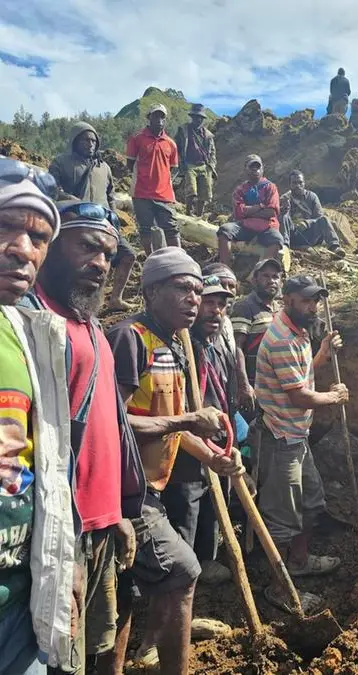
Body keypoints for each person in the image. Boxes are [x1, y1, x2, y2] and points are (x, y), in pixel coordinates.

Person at [107, 247, 244, 675]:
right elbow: (113, 424)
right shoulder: (130, 338)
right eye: (183, 288)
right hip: (126, 489)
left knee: (127, 591)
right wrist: (186, 418)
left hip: (152, 488)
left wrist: (214, 459)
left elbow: (177, 430)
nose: (193, 299)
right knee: (183, 571)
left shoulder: (177, 345)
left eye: (197, 290)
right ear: (150, 291)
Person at [28, 201, 144, 675]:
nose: (100, 263)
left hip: (99, 525)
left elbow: (103, 429)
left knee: (95, 649)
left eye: (109, 255)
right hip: (57, 537)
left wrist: (115, 511)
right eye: (87, 247)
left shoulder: (92, 325)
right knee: (60, 660)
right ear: (51, 246)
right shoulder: (33, 322)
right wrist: (61, 547)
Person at [0, 161, 76, 675]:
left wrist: (59, 559)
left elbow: (43, 462)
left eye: (38, 236)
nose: (24, 249)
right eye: (5, 227)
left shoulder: (30, 335)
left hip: (19, 596)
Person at [255, 275, 346, 613]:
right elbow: (299, 396)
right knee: (282, 517)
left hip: (297, 436)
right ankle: (279, 589)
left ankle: (300, 561)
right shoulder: (280, 338)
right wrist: (333, 397)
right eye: (306, 300)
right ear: (288, 298)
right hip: (281, 438)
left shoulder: (299, 331)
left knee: (311, 502)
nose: (312, 306)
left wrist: (321, 354)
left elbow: (302, 373)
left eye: (315, 301)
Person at [161, 274, 238, 587]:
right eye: (209, 302)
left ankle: (207, 559)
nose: (215, 310)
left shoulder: (216, 345)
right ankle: (182, 575)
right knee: (187, 504)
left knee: (213, 502)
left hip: (218, 440)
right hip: (187, 443)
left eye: (221, 305)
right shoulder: (179, 348)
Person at [49, 122, 136, 311]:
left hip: (104, 225)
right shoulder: (61, 162)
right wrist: (72, 201)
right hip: (75, 223)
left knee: (128, 255)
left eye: (93, 140)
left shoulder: (104, 167)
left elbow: (110, 194)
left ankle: (115, 299)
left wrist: (114, 218)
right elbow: (52, 189)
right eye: (85, 139)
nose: (90, 144)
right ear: (74, 141)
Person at [127, 104, 180, 254]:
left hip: (164, 194)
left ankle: (178, 258)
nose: (159, 119)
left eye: (162, 116)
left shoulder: (171, 144)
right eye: (156, 116)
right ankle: (151, 259)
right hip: (141, 193)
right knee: (145, 229)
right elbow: (130, 164)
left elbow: (172, 167)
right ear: (149, 117)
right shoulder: (137, 139)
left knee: (172, 228)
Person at [201, 262, 255, 411]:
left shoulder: (226, 324)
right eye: (209, 302)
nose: (226, 290)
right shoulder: (199, 332)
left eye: (231, 286)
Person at [217, 155, 284, 267]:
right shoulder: (240, 189)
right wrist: (261, 206)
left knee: (277, 239)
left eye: (258, 168)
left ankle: (258, 272)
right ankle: (225, 267)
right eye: (251, 168)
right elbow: (239, 212)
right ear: (245, 169)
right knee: (224, 230)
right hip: (245, 227)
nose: (255, 170)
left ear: (262, 169)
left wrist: (248, 211)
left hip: (267, 228)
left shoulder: (270, 187)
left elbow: (272, 212)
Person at [230, 258, 283, 386]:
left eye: (275, 277)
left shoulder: (280, 310)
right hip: (256, 386)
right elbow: (237, 347)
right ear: (254, 280)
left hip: (277, 385)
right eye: (265, 276)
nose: (271, 281)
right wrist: (244, 384)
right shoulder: (244, 307)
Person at [280, 171, 345, 257]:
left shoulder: (312, 197)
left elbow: (319, 217)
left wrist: (306, 223)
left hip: (310, 234)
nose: (298, 185)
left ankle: (335, 248)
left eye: (300, 182)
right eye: (294, 183)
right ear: (290, 184)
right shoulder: (285, 198)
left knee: (324, 219)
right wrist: (284, 209)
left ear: (304, 183)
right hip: (293, 233)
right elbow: (283, 219)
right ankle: (285, 247)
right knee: (283, 216)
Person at [175, 104, 217, 217]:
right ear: (191, 117)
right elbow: (177, 148)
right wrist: (180, 163)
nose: (197, 120)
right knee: (191, 191)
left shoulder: (207, 135)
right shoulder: (183, 131)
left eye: (200, 118)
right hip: (190, 165)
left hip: (204, 165)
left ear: (203, 119)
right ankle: (188, 213)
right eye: (195, 117)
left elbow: (212, 152)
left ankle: (199, 215)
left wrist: (211, 166)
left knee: (204, 194)